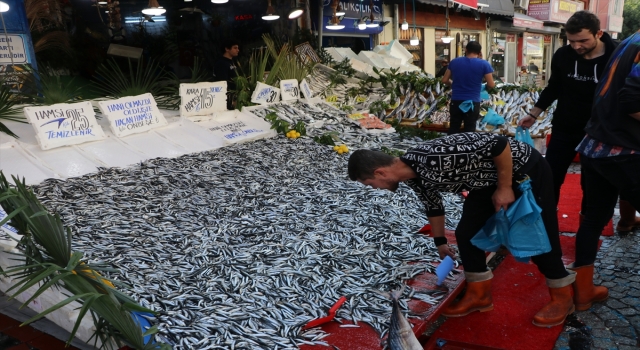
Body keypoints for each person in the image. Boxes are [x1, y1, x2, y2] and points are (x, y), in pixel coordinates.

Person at [348, 132, 576, 327]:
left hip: (523, 170)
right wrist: (440, 243)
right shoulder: (414, 175)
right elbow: (433, 206)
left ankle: (562, 297)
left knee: (537, 234)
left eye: (370, 184)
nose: (376, 189)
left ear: (380, 173)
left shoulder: (433, 157)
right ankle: (479, 295)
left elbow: (499, 144)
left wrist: (505, 187)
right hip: (485, 180)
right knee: (466, 234)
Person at [517, 11, 640, 232]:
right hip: (564, 127)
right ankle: (545, 225)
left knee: (592, 185)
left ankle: (590, 228)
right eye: (572, 41)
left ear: (599, 33)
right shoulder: (563, 55)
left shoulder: (616, 54)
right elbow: (553, 87)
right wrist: (534, 114)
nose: (576, 46)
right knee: (550, 176)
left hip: (599, 133)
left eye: (583, 40)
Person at [572, 29, 640, 311]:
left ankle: (584, 291)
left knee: (594, 218)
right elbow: (632, 101)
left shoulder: (632, 39)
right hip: (625, 149)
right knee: (594, 218)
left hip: (596, 143)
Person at [442, 42, 495, 134]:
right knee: (469, 130)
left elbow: (445, 80)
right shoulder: (484, 64)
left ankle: (451, 147)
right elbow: (491, 85)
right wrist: (483, 87)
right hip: (472, 102)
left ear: (466, 50)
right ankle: (468, 148)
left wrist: (453, 84)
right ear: (479, 52)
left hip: (456, 101)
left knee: (454, 128)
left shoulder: (454, 62)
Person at [213, 39, 239, 110]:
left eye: (238, 48)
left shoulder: (233, 61)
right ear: (227, 49)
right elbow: (223, 81)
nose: (237, 50)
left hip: (235, 95)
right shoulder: (221, 63)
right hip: (226, 97)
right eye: (235, 48)